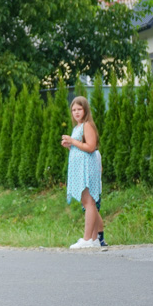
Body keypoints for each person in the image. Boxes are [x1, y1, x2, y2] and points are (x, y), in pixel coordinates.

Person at [61, 96, 104, 249]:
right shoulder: (77, 127)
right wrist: (69, 145)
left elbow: (91, 147)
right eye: (73, 110)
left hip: (87, 169)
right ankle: (93, 239)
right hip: (80, 168)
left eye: (79, 109)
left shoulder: (87, 125)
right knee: (87, 202)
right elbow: (80, 146)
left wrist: (73, 142)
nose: (76, 112)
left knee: (89, 202)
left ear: (85, 110)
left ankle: (87, 239)